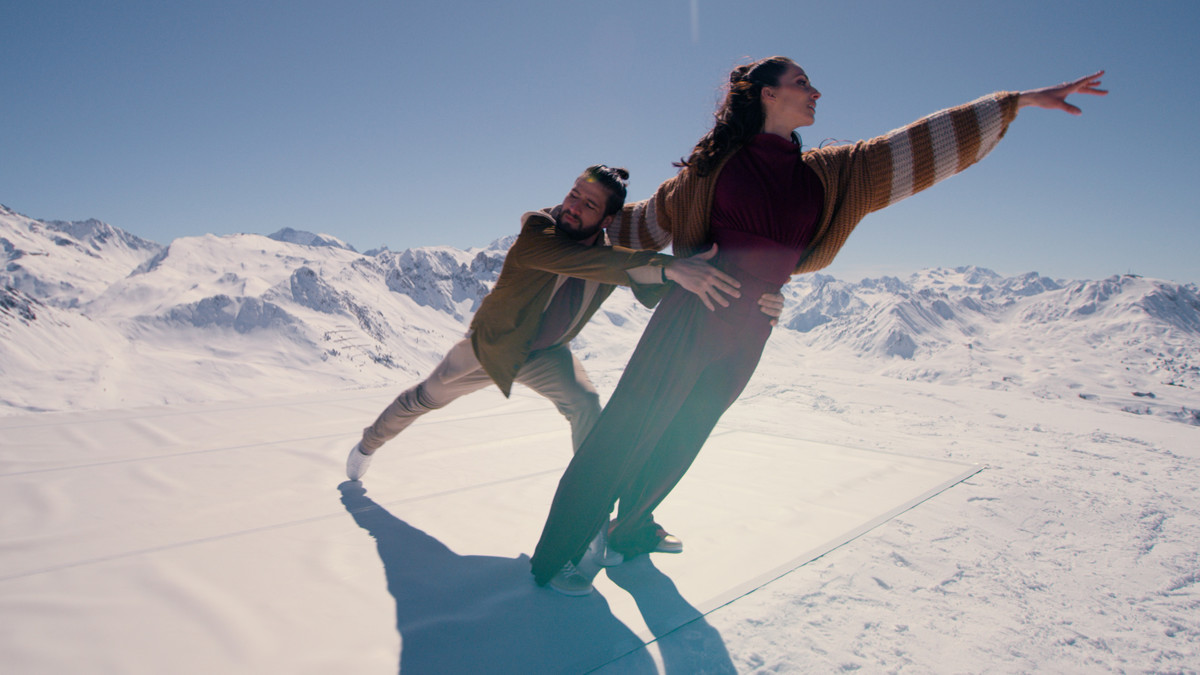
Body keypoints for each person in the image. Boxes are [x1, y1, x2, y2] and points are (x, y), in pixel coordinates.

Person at [530, 58, 1107, 595]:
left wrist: (1018, 102)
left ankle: (630, 530)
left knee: (684, 436)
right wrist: (585, 223)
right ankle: (560, 554)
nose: (815, 92)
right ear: (767, 94)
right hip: (691, 318)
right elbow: (640, 227)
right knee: (628, 431)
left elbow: (915, 146)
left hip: (751, 329)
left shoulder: (832, 174)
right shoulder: (713, 167)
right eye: (803, 82)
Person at [346, 165, 784, 481]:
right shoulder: (539, 231)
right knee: (423, 398)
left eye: (588, 203)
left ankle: (586, 503)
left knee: (586, 405)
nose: (573, 206)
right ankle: (368, 445)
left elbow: (657, 284)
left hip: (548, 355)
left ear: (607, 219)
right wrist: (670, 267)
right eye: (574, 194)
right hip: (490, 349)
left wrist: (755, 299)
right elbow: (586, 262)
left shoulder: (614, 251)